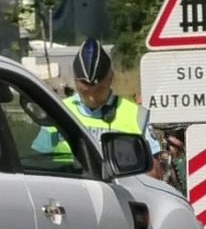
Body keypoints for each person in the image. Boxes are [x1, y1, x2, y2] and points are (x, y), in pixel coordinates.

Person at [32, 38, 164, 178]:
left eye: (99, 89)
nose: (92, 98)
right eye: (86, 91)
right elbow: (37, 162)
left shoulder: (138, 115)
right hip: (69, 189)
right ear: (75, 80)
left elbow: (154, 172)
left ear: (110, 77)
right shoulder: (58, 111)